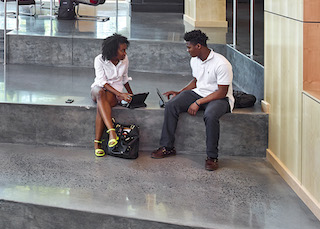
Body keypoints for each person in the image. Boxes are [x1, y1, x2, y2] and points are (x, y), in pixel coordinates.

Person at [151, 30, 234, 171]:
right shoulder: (194, 60)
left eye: (189, 47)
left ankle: (212, 157)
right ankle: (167, 147)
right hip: (199, 93)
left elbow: (222, 92)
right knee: (171, 105)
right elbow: (196, 81)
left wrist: (198, 103)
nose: (187, 50)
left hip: (219, 98)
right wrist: (180, 93)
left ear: (199, 46)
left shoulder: (221, 63)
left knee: (211, 115)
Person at [91, 34, 133, 157]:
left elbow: (124, 79)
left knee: (102, 107)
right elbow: (102, 82)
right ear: (113, 50)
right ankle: (111, 132)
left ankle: (97, 143)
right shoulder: (99, 60)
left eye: (125, 50)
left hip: (112, 94)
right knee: (100, 93)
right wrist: (120, 94)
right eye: (122, 50)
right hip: (99, 89)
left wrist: (130, 94)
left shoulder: (124, 60)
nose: (125, 53)